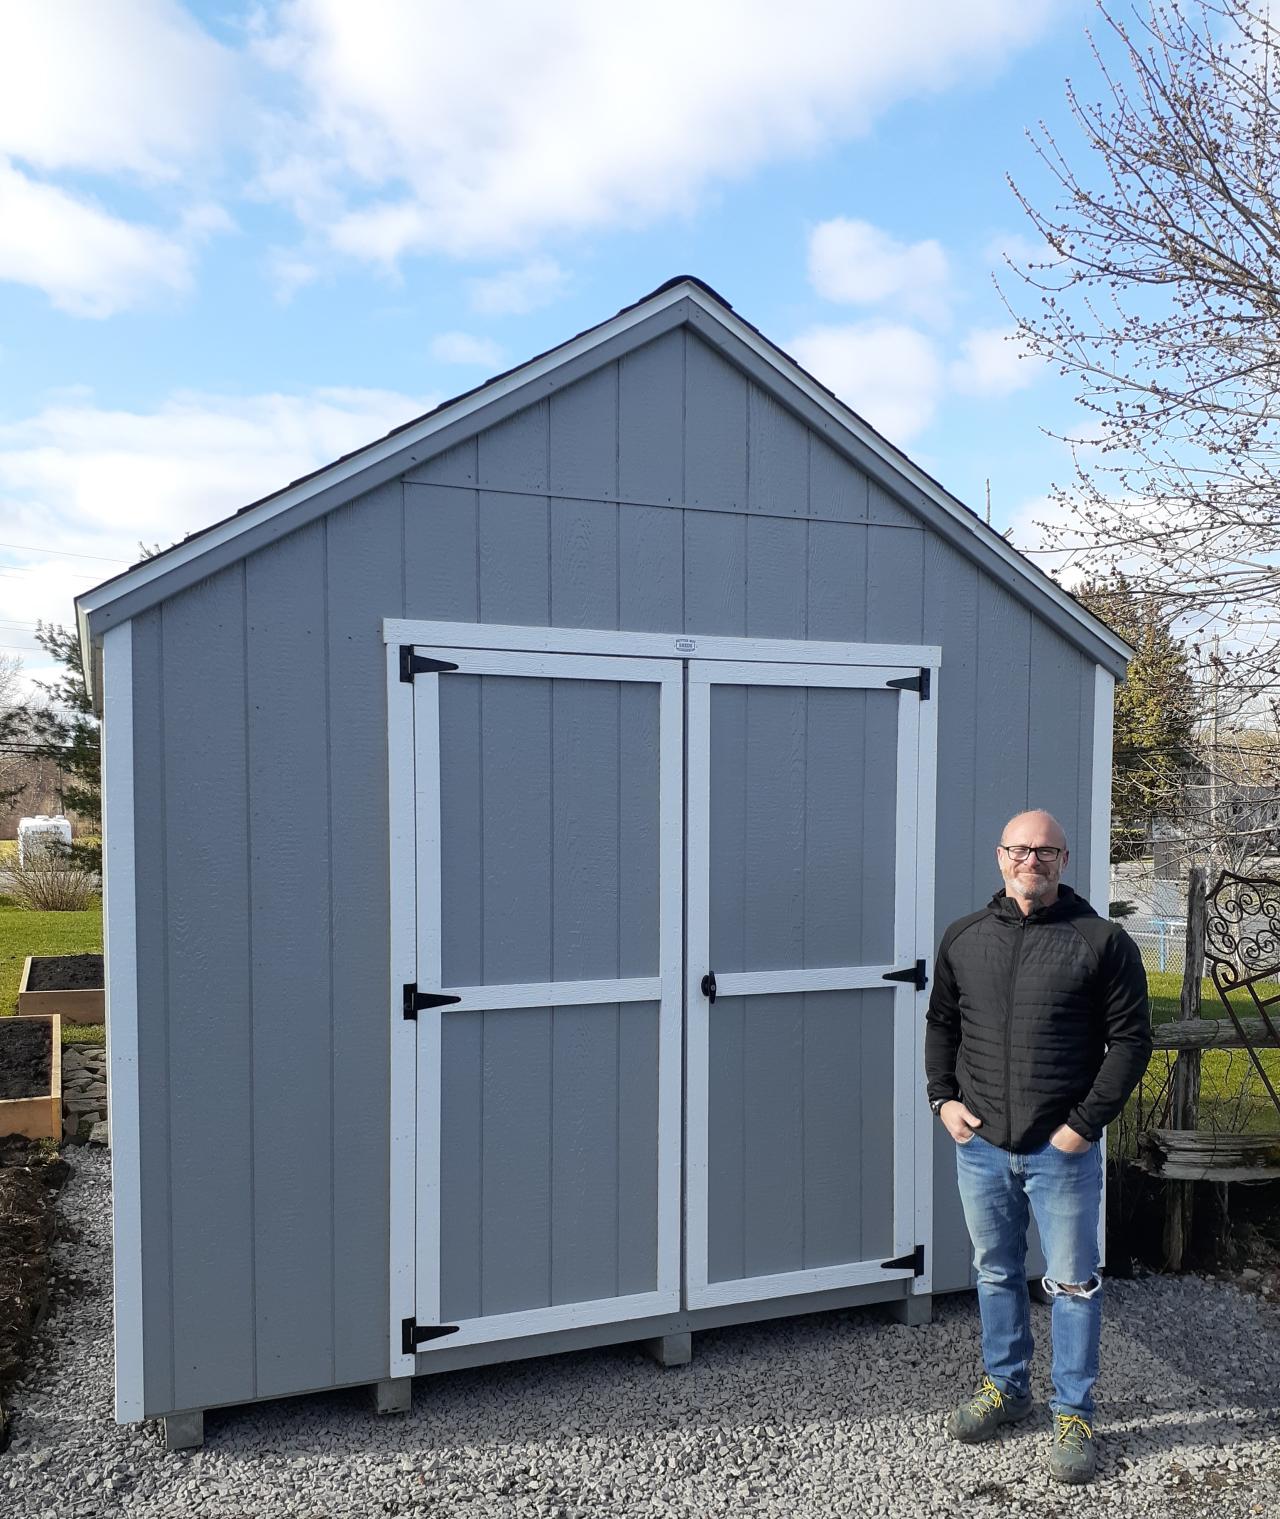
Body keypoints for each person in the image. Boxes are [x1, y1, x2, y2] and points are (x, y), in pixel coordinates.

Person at [924, 809, 1151, 1484]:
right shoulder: (964, 937)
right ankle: (1007, 1387)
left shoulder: (1100, 941)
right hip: (982, 1144)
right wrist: (944, 1099)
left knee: (1073, 1284)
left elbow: (1133, 1041)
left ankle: (1074, 1412)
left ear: (1064, 860)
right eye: (1021, 850)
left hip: (1064, 1152)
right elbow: (941, 1023)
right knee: (994, 1271)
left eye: (1046, 851)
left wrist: (1083, 1124)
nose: (1034, 860)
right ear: (1000, 857)